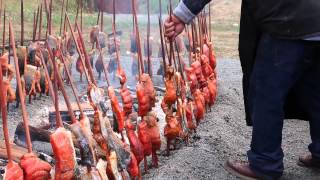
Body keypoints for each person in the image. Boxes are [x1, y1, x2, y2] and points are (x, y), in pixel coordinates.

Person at [164, 0, 320, 179]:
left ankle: (265, 163)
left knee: (267, 95)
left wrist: (182, 14)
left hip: (286, 22)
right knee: (316, 91)